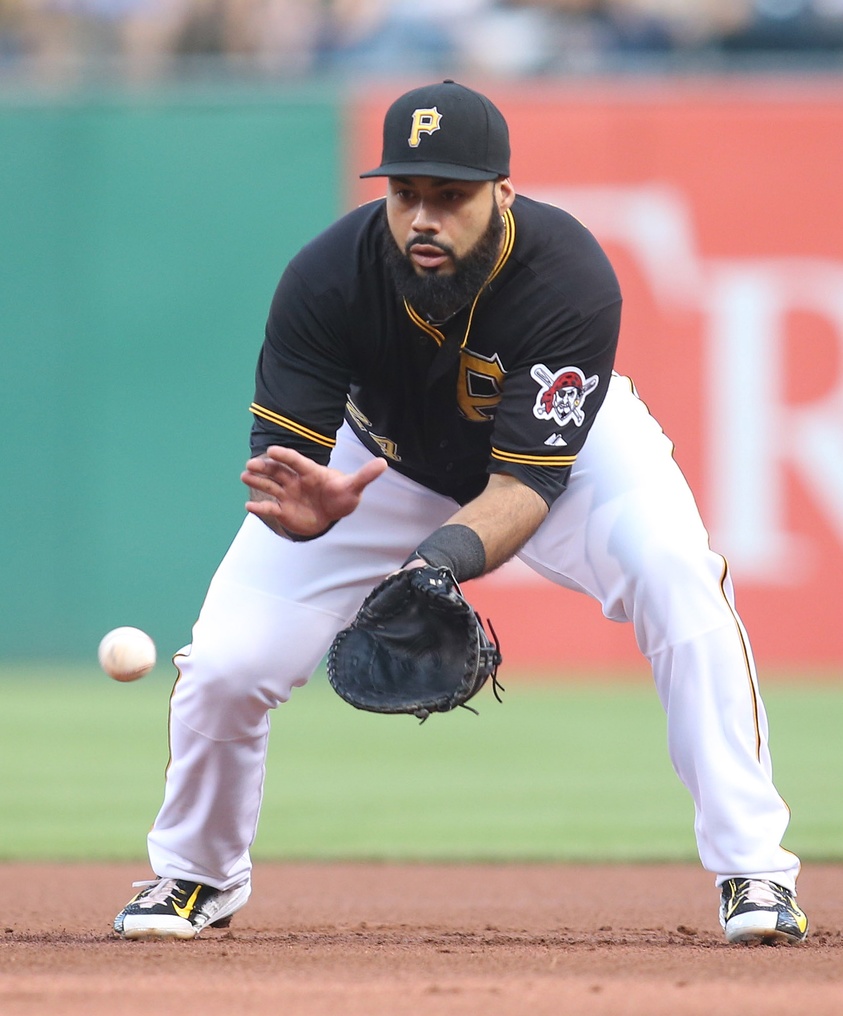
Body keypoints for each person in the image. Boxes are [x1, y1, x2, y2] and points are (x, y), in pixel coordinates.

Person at [113, 79, 808, 946]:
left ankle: (754, 872)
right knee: (223, 664)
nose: (424, 218)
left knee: (678, 578)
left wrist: (434, 561)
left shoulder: (566, 272)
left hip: (570, 457)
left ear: (501, 194)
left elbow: (525, 487)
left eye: (451, 195)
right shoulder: (327, 279)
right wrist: (309, 512)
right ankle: (193, 873)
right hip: (374, 466)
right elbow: (290, 475)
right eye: (406, 194)